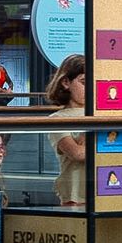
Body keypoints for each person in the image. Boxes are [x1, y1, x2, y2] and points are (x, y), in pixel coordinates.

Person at [45, 55, 87, 207]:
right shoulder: (57, 118)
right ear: (66, 82)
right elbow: (78, 153)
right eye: (83, 82)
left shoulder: (102, 114)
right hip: (75, 195)